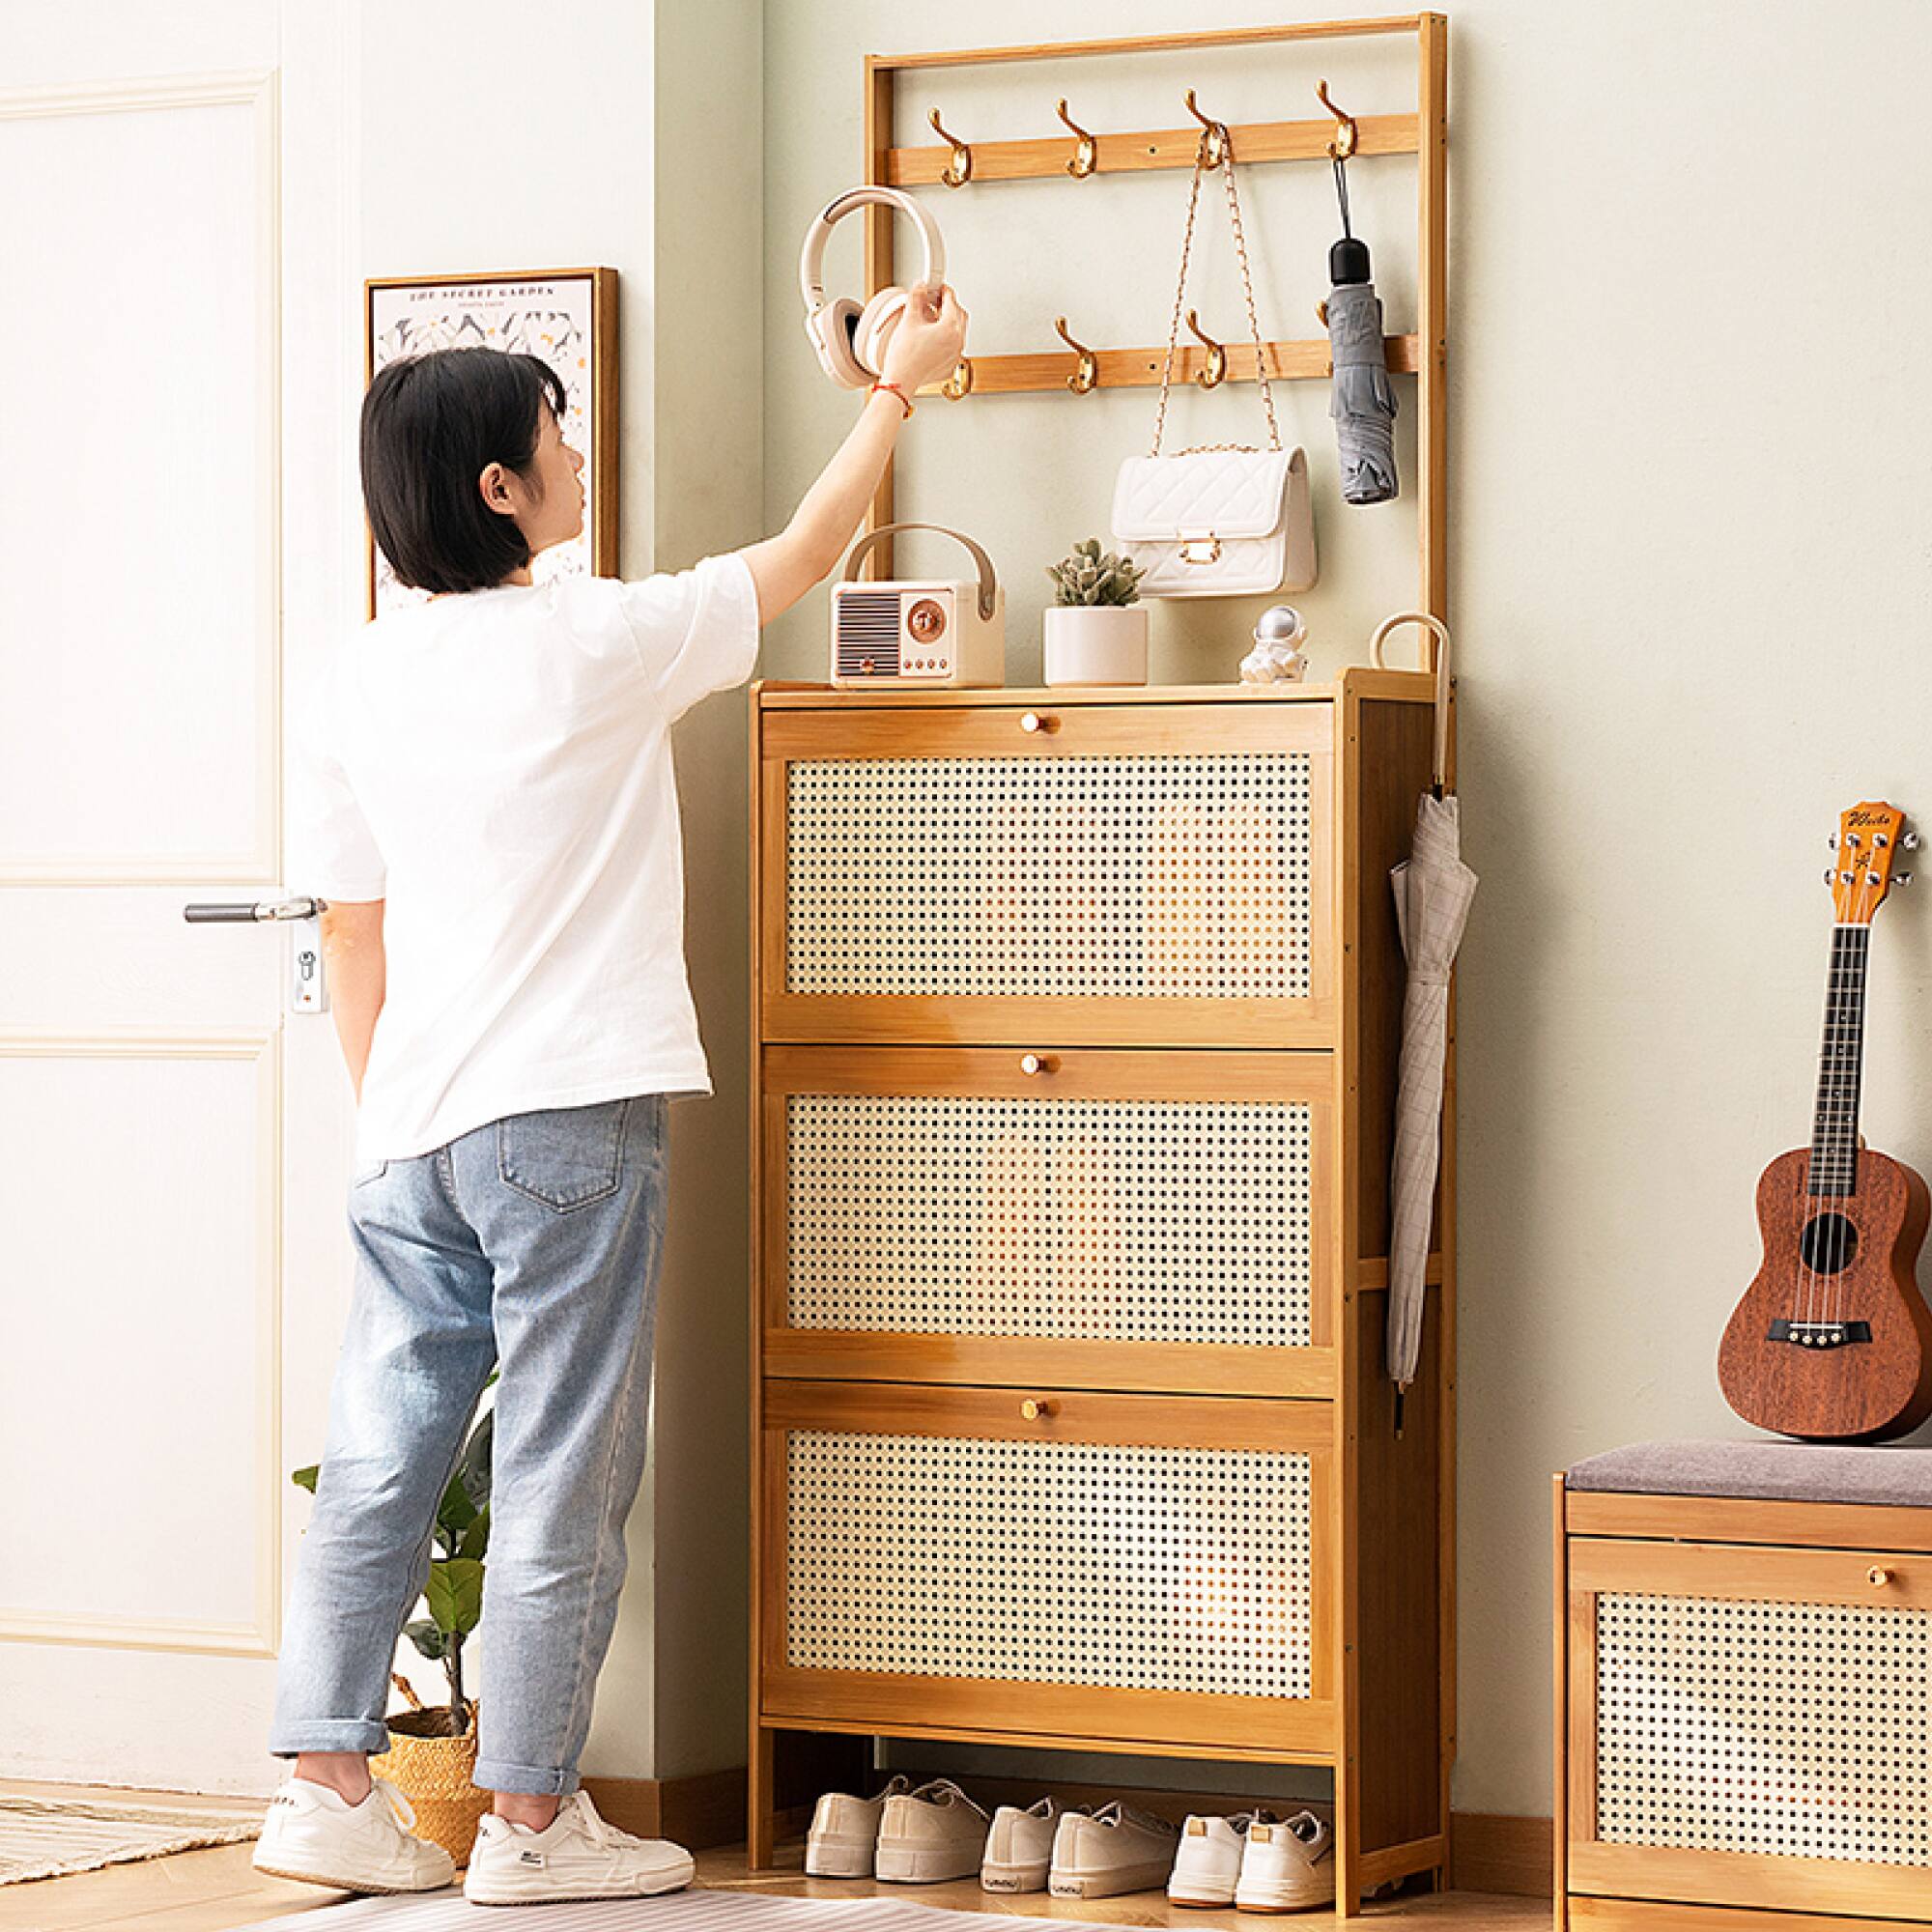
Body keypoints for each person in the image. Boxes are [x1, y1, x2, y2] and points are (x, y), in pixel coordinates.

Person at [252, 286, 967, 1907]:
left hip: (410, 1124)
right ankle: (525, 1824)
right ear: (501, 488)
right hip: (567, 1113)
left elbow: (348, 929)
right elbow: (794, 561)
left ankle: (323, 1783)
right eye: (554, 436)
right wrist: (896, 394)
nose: (575, 454)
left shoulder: (351, 679)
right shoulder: (592, 637)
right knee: (568, 1461)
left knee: (381, 1455)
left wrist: (396, 1112)